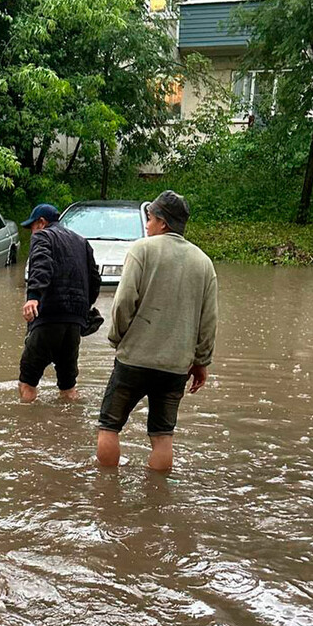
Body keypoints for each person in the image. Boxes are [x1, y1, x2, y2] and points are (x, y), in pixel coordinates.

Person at [97, 190, 217, 473]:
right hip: (175, 367)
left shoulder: (141, 250)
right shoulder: (204, 263)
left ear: (162, 222)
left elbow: (124, 301)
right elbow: (208, 320)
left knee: (109, 427)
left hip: (134, 360)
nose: (147, 225)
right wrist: (201, 362)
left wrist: (117, 337)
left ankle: (104, 496)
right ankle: (158, 501)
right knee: (163, 436)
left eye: (150, 219)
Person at [17, 202, 100, 403]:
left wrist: (33, 297)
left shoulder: (42, 236)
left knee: (27, 381)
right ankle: (70, 425)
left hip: (49, 318)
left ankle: (27, 424)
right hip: (75, 322)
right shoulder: (81, 241)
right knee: (68, 384)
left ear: (41, 222)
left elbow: (41, 264)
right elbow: (94, 279)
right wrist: (83, 308)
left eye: (32, 227)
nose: (31, 233)